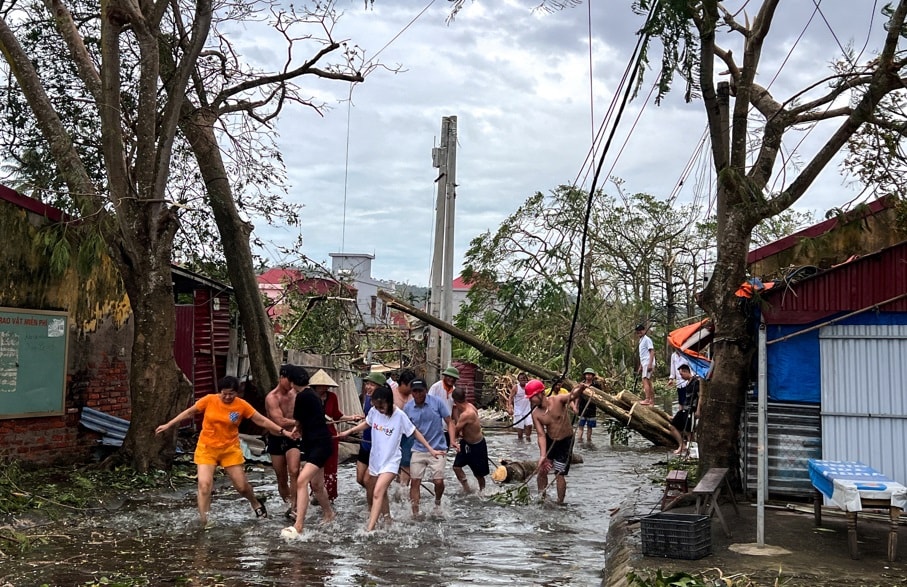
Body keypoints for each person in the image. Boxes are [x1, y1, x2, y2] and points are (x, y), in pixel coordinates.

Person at [155, 375, 292, 526]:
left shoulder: (242, 405)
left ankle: (255, 502)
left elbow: (262, 420)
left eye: (231, 394)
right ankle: (205, 521)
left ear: (237, 392)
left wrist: (282, 431)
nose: (227, 397)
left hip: (230, 449)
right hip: (207, 448)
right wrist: (168, 424)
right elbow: (189, 412)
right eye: (224, 393)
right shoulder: (209, 400)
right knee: (204, 485)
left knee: (242, 486)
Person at [339, 385, 442, 531]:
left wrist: (430, 449)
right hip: (376, 459)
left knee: (377, 492)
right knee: (377, 489)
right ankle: (387, 519)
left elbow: (414, 432)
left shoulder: (399, 415)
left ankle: (370, 529)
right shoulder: (374, 412)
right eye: (376, 406)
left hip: (391, 461)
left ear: (389, 402)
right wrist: (348, 431)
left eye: (382, 406)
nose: (379, 409)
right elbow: (367, 424)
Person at [287, 365, 335, 534]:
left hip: (318, 445)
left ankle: (299, 525)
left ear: (292, 382)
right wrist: (298, 429)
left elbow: (298, 420)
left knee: (301, 481)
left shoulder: (302, 397)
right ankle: (329, 514)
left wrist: (296, 429)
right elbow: (307, 420)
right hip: (317, 443)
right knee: (317, 484)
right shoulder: (313, 395)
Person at [525, 378, 586, 505]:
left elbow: (572, 395)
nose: (531, 401)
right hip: (550, 440)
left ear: (540, 393)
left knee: (559, 473)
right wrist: (543, 455)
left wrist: (580, 388)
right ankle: (541, 498)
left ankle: (560, 502)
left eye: (532, 398)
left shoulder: (557, 400)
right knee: (543, 470)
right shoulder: (536, 413)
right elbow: (541, 435)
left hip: (566, 442)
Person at [405, 377, 457, 516]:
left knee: (438, 481)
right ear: (411, 392)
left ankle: (438, 501)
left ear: (426, 391)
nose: (417, 394)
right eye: (414, 391)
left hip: (438, 447)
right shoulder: (408, 408)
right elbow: (404, 429)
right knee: (415, 481)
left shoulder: (437, 403)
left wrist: (452, 440)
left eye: (420, 391)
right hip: (418, 449)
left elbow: (449, 421)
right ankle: (415, 513)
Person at [310, 368, 363, 502]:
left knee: (331, 466)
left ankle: (330, 495)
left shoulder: (332, 397)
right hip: (314, 437)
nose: (324, 387)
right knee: (315, 466)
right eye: (321, 385)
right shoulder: (309, 398)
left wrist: (351, 417)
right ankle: (315, 492)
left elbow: (337, 415)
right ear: (315, 386)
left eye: (325, 385)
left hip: (331, 436)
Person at [264, 364, 303, 518]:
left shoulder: (296, 393)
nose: (291, 384)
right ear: (281, 378)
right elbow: (279, 420)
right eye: (289, 380)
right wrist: (299, 422)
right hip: (276, 438)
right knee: (281, 477)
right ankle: (288, 503)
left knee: (294, 471)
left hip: (293, 438)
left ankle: (295, 506)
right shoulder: (272, 397)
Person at [356, 371, 387, 511]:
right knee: (360, 479)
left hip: (377, 447)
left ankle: (372, 509)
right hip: (365, 443)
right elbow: (369, 419)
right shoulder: (367, 399)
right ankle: (379, 493)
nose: (368, 387)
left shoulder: (385, 404)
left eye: (372, 385)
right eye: (367, 384)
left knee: (368, 481)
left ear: (380, 387)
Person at [451, 387, 489, 493]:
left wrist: (454, 440)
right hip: (466, 443)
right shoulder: (467, 406)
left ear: (455, 400)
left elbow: (456, 429)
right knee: (456, 467)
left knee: (478, 474)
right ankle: (466, 488)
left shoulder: (467, 413)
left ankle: (483, 492)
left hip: (477, 445)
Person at [393, 368, 418, 487]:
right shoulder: (391, 393)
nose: (412, 389)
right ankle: (394, 484)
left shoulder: (414, 395)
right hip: (393, 433)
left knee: (406, 461)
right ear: (402, 384)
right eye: (410, 386)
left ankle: (403, 488)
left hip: (409, 434)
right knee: (393, 461)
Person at [668, 364, 701, 455]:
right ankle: (682, 445)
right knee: (672, 426)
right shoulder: (687, 383)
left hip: (691, 410)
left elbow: (700, 396)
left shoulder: (696, 382)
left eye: (682, 374)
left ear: (687, 372)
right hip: (684, 408)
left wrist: (698, 410)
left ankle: (692, 451)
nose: (681, 377)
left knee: (689, 431)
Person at [507, 372, 533, 441]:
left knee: (529, 425)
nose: (523, 380)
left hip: (527, 410)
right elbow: (510, 398)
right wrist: (510, 407)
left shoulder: (529, 386)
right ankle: (520, 444)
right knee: (520, 431)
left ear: (526, 379)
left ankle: (528, 439)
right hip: (519, 411)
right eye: (521, 379)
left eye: (524, 378)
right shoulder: (516, 387)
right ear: (518, 380)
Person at [576, 368, 599, 443]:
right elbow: (578, 396)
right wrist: (576, 406)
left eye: (590, 375)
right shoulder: (581, 384)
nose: (588, 376)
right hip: (582, 407)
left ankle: (589, 440)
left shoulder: (596, 385)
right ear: (585, 375)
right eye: (587, 375)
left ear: (592, 376)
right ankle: (579, 440)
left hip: (592, 408)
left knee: (590, 427)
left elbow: (600, 396)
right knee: (580, 426)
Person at [636, 323, 656, 405]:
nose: (639, 332)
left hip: (648, 362)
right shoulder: (641, 340)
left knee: (645, 380)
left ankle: (647, 399)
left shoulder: (647, 339)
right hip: (644, 362)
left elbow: (652, 351)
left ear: (644, 330)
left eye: (641, 330)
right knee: (648, 381)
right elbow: (642, 355)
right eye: (638, 331)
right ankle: (651, 400)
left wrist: (650, 364)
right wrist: (640, 366)